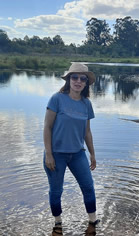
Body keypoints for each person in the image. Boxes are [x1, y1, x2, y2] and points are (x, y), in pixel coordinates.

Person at [43, 63, 99, 227]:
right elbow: (47, 127)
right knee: (56, 190)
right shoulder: (57, 99)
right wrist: (49, 154)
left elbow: (87, 132)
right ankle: (58, 223)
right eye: (74, 77)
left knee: (88, 187)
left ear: (86, 83)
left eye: (83, 79)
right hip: (56, 154)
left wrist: (92, 154)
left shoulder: (86, 104)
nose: (78, 81)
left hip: (77, 154)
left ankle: (93, 221)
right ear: (68, 79)